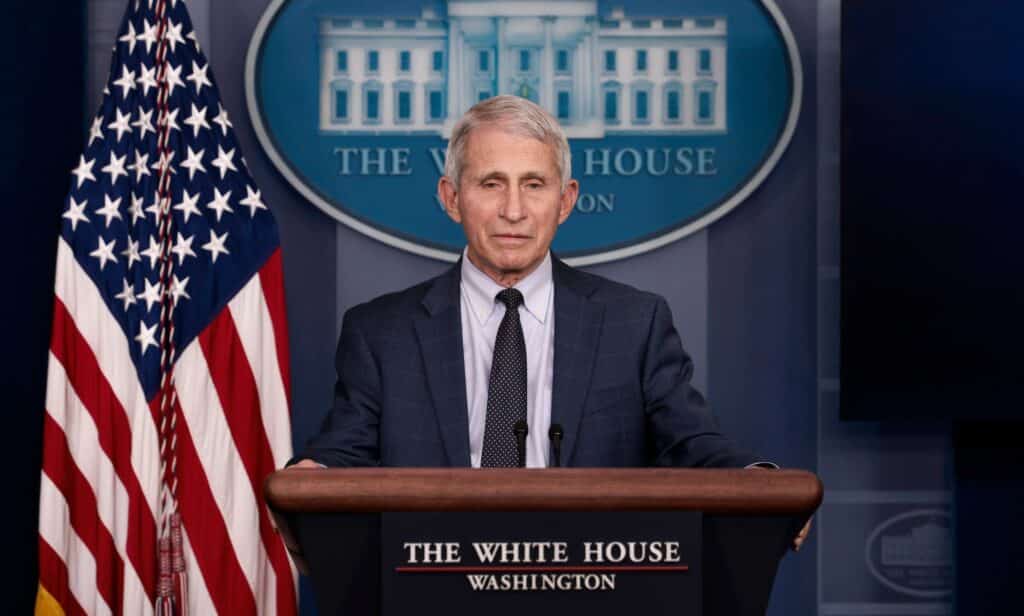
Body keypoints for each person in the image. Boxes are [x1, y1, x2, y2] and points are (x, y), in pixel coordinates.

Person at [290, 95, 810, 549]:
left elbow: (692, 443)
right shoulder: (381, 332)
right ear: (451, 198)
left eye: (534, 185)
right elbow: (344, 452)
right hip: (429, 580)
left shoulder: (635, 323)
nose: (513, 210)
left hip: (594, 586)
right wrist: (312, 476)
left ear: (566, 202)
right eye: (491, 183)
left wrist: (757, 483)